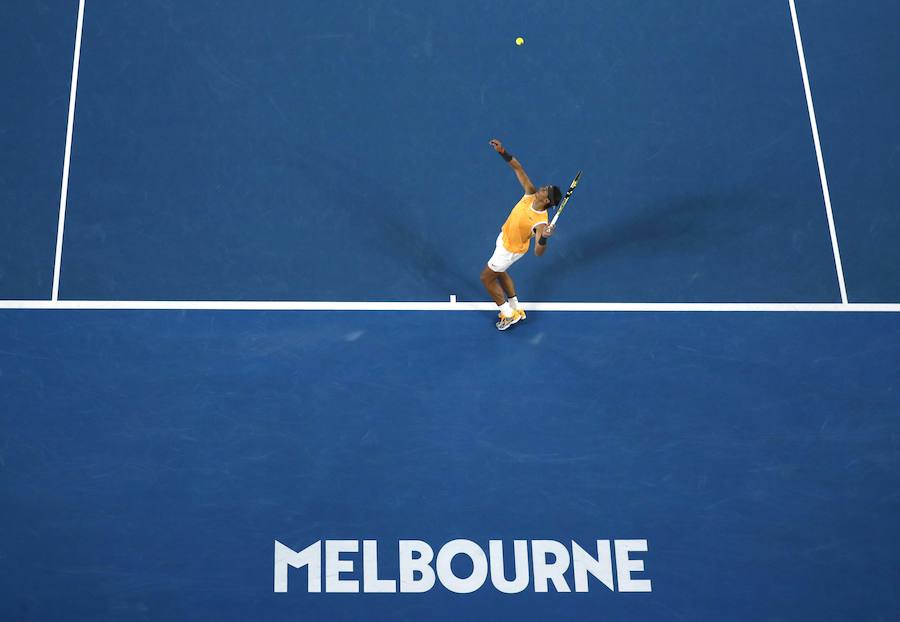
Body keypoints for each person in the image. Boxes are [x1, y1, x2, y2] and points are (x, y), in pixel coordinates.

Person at [481, 139, 561, 330]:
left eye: (545, 190)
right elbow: (518, 168)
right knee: (500, 272)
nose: (542, 187)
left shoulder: (540, 223)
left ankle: (508, 315)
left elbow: (538, 252)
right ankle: (516, 307)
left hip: (510, 250)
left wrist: (544, 237)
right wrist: (503, 152)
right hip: (505, 239)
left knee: (487, 278)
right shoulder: (531, 194)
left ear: (547, 200)